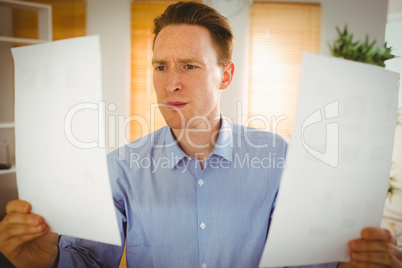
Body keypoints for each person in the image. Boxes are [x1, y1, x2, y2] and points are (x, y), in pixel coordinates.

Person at [0, 1, 401, 267]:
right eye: (160, 67)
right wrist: (47, 258)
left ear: (224, 75)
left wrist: (355, 259)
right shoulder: (121, 166)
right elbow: (89, 260)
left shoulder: (281, 159)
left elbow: (312, 259)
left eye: (189, 66)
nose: (170, 83)